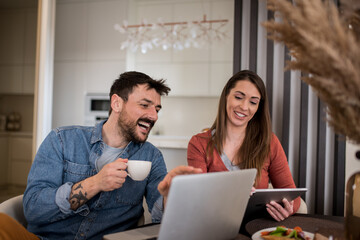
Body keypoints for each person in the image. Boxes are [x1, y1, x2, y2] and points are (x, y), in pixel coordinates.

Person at [0, 71, 201, 240]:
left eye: (157, 109)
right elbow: (34, 209)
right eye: (144, 105)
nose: (154, 116)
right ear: (116, 103)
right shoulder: (62, 140)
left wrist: (170, 197)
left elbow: (161, 220)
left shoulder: (151, 156)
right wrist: (95, 183)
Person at [187, 70, 300, 222]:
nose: (244, 107)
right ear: (226, 96)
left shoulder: (269, 143)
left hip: (256, 229)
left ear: (258, 108)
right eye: (238, 97)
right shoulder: (199, 144)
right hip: (214, 226)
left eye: (253, 102)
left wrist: (288, 208)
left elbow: (293, 196)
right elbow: (197, 198)